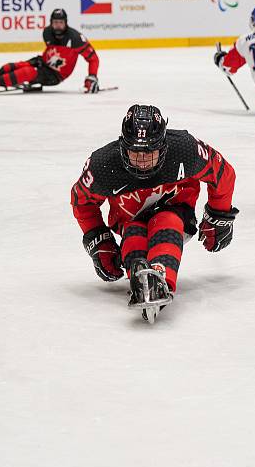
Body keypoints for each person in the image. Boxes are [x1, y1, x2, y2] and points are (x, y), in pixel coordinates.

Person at [70, 104, 238, 322]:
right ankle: (140, 278)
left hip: (176, 213)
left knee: (166, 219)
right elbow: (81, 201)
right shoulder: (102, 165)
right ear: (123, 146)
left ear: (164, 145)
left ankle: (161, 277)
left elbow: (223, 172)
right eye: (135, 151)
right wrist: (99, 241)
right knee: (133, 233)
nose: (142, 160)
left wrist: (219, 214)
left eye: (149, 151)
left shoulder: (186, 149)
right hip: (130, 220)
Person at [0, 8, 100, 95]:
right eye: (55, 22)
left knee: (28, 72)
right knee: (11, 66)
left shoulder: (76, 38)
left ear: (66, 23)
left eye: (61, 22)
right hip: (43, 63)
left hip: (56, 75)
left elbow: (93, 58)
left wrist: (92, 77)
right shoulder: (47, 32)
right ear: (51, 23)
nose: (58, 25)